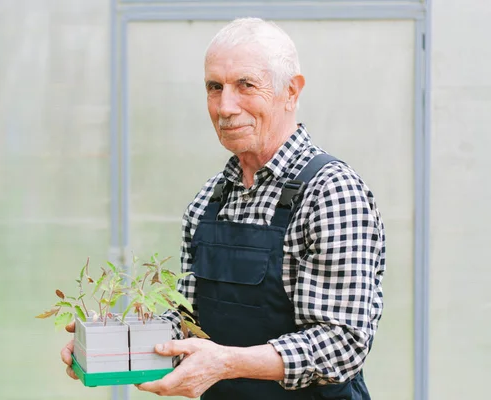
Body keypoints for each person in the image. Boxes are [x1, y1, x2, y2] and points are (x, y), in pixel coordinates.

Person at [61, 17, 385, 399]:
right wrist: (114, 344)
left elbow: (342, 345)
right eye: (215, 87)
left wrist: (226, 363)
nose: (225, 106)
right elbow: (191, 321)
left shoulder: (330, 193)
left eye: (245, 85)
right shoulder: (209, 201)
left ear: (291, 92)